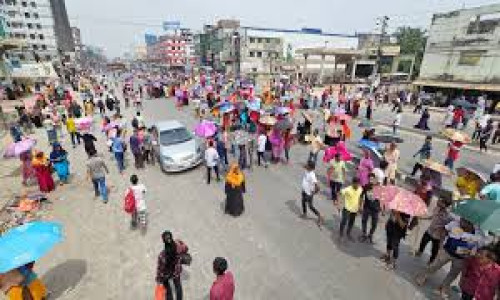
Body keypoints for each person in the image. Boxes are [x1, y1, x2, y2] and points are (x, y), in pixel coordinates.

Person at [416, 218, 483, 298]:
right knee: (435, 265)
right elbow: (444, 230)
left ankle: (443, 287)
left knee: (453, 274)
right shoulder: (454, 224)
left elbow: (479, 246)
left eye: (465, 221)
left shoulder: (478, 233)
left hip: (461, 258)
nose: (462, 222)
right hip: (447, 251)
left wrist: (471, 251)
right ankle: (423, 276)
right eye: (462, 219)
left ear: (471, 223)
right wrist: (441, 244)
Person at [415, 198, 453, 265]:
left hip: (437, 235)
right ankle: (420, 251)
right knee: (423, 241)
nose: (438, 202)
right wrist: (422, 218)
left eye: (441, 201)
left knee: (434, 250)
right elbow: (432, 217)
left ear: (445, 204)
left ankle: (431, 261)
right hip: (430, 230)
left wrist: (444, 232)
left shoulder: (448, 216)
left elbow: (449, 226)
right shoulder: (436, 208)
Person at [156, 231, 188, 300]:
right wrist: (180, 242)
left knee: (168, 290)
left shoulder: (162, 256)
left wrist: (159, 279)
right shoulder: (179, 246)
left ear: (163, 241)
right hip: (176, 271)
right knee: (178, 286)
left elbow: (160, 270)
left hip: (167, 274)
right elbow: (186, 248)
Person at [338, 177, 363, 241]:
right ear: (353, 183)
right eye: (356, 184)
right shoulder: (348, 189)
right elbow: (339, 193)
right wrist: (339, 203)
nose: (357, 185)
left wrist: (360, 207)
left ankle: (348, 233)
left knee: (351, 222)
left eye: (358, 184)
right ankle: (341, 234)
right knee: (344, 222)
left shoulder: (360, 189)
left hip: (354, 210)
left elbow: (360, 198)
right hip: (347, 209)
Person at [359, 174, 381, 243]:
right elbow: (361, 196)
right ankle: (364, 234)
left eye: (372, 179)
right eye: (369, 179)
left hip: (376, 209)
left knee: (374, 224)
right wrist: (360, 206)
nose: (371, 181)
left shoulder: (379, 188)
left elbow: (382, 199)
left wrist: (382, 209)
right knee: (364, 221)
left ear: (375, 179)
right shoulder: (366, 187)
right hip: (367, 207)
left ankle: (370, 235)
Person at [301, 160, 323, 225]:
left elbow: (318, 187)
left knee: (310, 206)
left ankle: (320, 216)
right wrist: (306, 165)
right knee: (303, 201)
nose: (306, 165)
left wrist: (313, 193)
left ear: (310, 167)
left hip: (309, 193)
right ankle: (305, 214)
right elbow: (304, 166)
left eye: (307, 165)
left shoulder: (312, 175)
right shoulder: (307, 170)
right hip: (304, 190)